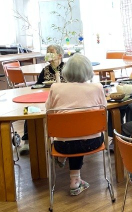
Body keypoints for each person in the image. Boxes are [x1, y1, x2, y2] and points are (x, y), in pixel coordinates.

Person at [45, 54, 107, 196]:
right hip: (93, 142)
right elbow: (104, 111)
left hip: (62, 145)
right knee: (80, 133)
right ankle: (75, 180)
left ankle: (65, 162)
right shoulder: (97, 87)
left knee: (72, 135)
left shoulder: (55, 88)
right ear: (88, 70)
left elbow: (48, 111)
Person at [21, 44, 65, 153]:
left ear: (60, 55)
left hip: (62, 99)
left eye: (51, 52)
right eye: (47, 52)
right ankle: (27, 141)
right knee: (29, 109)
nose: (48, 54)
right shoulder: (45, 70)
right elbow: (37, 85)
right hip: (45, 98)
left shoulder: (67, 68)